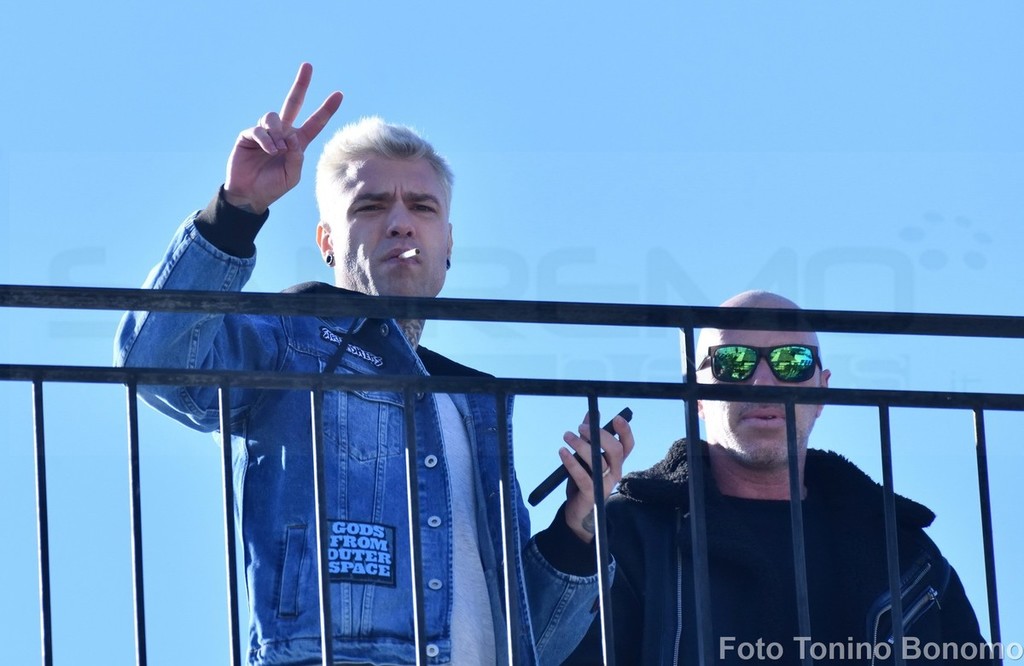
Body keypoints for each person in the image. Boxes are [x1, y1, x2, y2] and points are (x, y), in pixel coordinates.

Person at [114, 63, 632, 666]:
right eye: (371, 205)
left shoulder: (475, 404)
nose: (401, 222)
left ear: (448, 245)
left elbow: (532, 641)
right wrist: (236, 211)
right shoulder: (291, 341)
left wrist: (577, 526)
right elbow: (155, 363)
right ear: (327, 241)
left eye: (422, 207)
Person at [566, 290, 990, 665]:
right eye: (734, 362)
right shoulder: (631, 531)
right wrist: (573, 532)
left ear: (822, 390)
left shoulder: (904, 552)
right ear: (697, 394)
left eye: (792, 362)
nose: (763, 381)